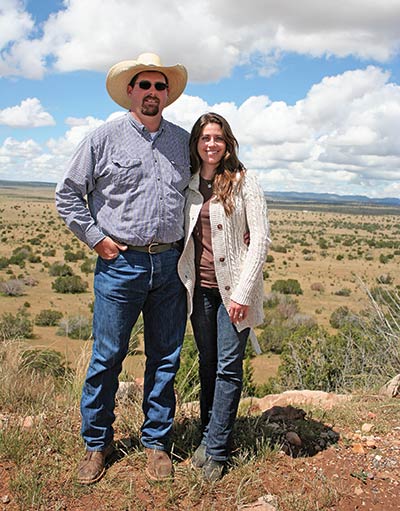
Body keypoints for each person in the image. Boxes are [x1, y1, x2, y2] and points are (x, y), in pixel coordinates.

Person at [55, 53, 190, 484]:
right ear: (130, 91)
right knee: (107, 357)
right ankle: (97, 443)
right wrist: (98, 239)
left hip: (171, 264)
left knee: (165, 358)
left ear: (168, 94)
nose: (152, 93)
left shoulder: (182, 142)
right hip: (121, 265)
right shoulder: (103, 139)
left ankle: (156, 444)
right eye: (144, 85)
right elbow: (68, 194)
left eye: (159, 86)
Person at [178, 112, 270, 482]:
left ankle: (216, 451)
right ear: (196, 144)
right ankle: (207, 436)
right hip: (198, 290)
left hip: (235, 293)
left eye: (217, 138)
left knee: (229, 368)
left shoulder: (245, 182)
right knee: (207, 363)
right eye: (204, 138)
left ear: (227, 143)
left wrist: (244, 293)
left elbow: (260, 238)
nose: (211, 144)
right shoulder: (187, 184)